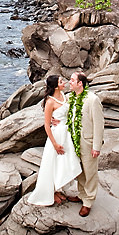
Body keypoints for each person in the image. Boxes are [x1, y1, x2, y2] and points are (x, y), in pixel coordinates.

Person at [27, 75, 82, 206]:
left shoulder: (64, 95)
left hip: (66, 133)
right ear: (56, 86)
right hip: (56, 136)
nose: (65, 82)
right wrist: (55, 144)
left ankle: (58, 188)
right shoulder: (49, 101)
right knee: (52, 163)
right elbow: (47, 125)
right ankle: (50, 192)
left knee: (63, 162)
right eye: (61, 81)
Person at [65, 72, 104, 216]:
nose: (69, 82)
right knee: (79, 170)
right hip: (75, 142)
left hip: (88, 143)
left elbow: (99, 125)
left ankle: (89, 201)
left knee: (90, 172)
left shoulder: (92, 100)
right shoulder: (71, 98)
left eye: (72, 80)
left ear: (80, 83)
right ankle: (82, 194)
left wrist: (96, 146)